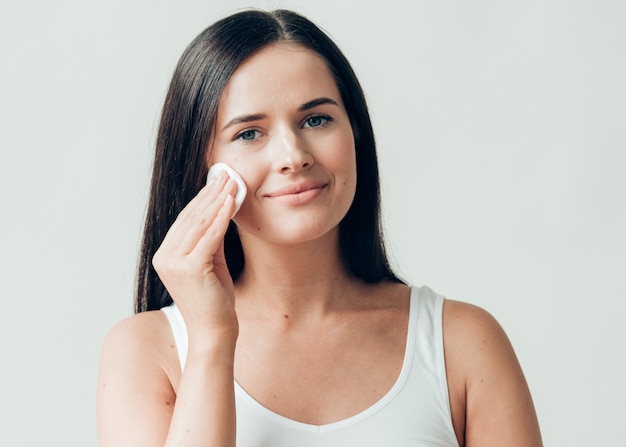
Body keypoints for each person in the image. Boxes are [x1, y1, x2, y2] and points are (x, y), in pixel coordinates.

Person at [97, 9, 543, 447]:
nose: (294, 155)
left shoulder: (461, 343)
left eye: (316, 119)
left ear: (356, 135)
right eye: (249, 133)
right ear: (201, 166)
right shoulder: (146, 351)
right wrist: (212, 339)